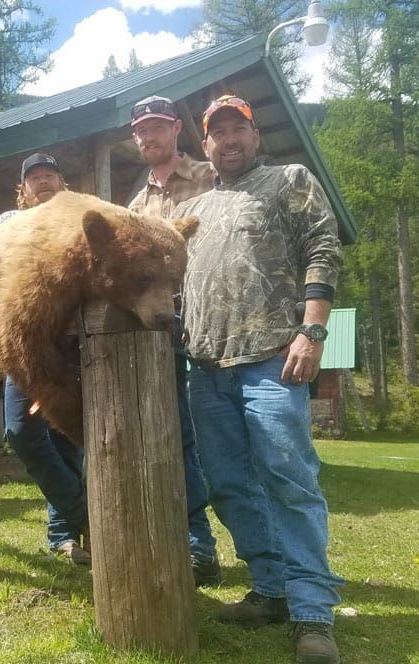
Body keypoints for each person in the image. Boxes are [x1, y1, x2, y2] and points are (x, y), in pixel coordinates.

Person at [174, 95, 344, 664]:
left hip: (273, 356)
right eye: (217, 131)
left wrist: (312, 332)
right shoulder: (195, 207)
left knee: (289, 481)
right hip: (206, 369)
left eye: (237, 128)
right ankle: (271, 589)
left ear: (254, 134)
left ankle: (312, 614)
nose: (228, 138)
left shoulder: (288, 180)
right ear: (205, 146)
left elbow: (323, 249)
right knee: (226, 484)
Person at [127, 95, 220, 587]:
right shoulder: (134, 206)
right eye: (141, 131)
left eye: (157, 127)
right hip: (162, 329)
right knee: (176, 434)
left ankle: (270, 559)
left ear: (177, 129)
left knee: (220, 437)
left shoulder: (210, 178)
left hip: (212, 322)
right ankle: (197, 544)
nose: (148, 137)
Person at [0, 153, 90, 565]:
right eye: (35, 178)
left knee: (67, 436)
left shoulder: (83, 218)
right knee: (20, 432)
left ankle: (63, 536)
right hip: (26, 348)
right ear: (23, 188)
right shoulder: (3, 223)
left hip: (75, 349)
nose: (43, 182)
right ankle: (86, 515)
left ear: (62, 182)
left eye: (50, 175)